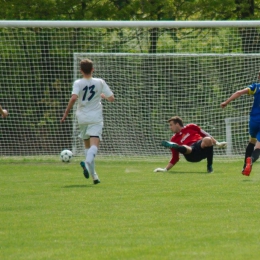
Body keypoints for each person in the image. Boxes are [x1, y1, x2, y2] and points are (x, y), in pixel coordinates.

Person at [61, 59, 115, 184]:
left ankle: (95, 177)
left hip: (82, 117)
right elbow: (112, 98)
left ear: (81, 71)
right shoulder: (99, 82)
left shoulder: (78, 82)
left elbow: (74, 97)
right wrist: (104, 96)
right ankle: (86, 163)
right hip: (95, 118)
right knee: (94, 145)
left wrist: (66, 113)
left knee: (87, 146)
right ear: (92, 69)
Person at [154, 116, 227, 173]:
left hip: (200, 146)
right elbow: (175, 158)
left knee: (207, 139)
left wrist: (217, 143)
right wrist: (165, 169)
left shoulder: (191, 126)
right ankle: (177, 147)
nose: (170, 127)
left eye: (171, 125)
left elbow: (206, 134)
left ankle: (209, 166)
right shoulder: (173, 139)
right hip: (190, 154)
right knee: (186, 147)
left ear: (177, 124)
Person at [221, 74, 260, 176]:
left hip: (254, 120)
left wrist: (226, 102)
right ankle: (250, 160)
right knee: (258, 147)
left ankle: (244, 168)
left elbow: (239, 92)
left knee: (252, 141)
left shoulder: (256, 87)